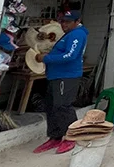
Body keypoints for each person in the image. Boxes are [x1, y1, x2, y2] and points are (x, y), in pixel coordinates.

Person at [33, 10, 88, 154]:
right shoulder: (69, 34)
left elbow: (70, 55)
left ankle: (71, 138)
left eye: (68, 22)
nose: (64, 25)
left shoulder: (77, 34)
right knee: (52, 106)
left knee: (63, 106)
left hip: (67, 76)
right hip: (56, 75)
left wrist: (46, 58)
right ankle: (55, 137)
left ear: (77, 22)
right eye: (63, 21)